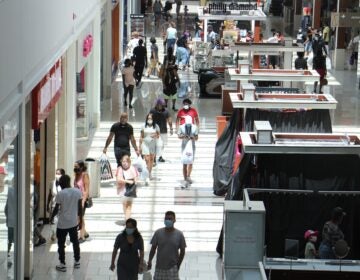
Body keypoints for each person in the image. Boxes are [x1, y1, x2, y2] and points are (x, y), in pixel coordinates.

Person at [50, 174, 82, 272]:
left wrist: (51, 217)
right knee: (75, 242)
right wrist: (80, 220)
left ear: (61, 183)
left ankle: (62, 264)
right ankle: (77, 261)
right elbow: (80, 208)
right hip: (73, 222)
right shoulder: (77, 191)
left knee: (61, 243)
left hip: (62, 224)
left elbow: (56, 208)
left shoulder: (61, 194)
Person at [147, 211, 186, 279]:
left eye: (170, 219)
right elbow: (153, 248)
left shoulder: (179, 234)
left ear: (174, 220)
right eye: (166, 219)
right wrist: (150, 260)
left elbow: (182, 251)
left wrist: (178, 265)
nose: (168, 220)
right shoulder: (158, 233)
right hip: (159, 267)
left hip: (172, 267)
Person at [176, 99, 200, 188]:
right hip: (184, 144)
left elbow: (196, 137)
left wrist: (194, 136)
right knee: (184, 160)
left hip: (192, 144)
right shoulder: (182, 126)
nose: (185, 105)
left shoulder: (194, 127)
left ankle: (189, 176)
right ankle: (185, 177)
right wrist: (183, 135)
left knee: (191, 160)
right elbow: (179, 135)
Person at [116, 155, 139, 221]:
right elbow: (118, 179)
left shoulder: (133, 168)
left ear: (129, 162)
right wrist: (127, 181)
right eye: (123, 161)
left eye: (126, 161)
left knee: (129, 206)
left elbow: (136, 179)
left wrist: (135, 185)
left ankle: (127, 221)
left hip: (130, 190)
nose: (124, 163)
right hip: (122, 190)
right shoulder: (119, 169)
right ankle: (126, 217)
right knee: (124, 205)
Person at [150, 98, 174, 162]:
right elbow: (148, 119)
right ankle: (154, 157)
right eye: (158, 104)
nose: (159, 106)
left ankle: (160, 156)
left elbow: (169, 119)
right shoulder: (152, 111)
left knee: (162, 144)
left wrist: (171, 128)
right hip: (154, 130)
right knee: (155, 144)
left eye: (161, 104)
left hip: (163, 131)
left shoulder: (166, 111)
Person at [139, 113, 160, 184]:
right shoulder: (143, 126)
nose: (149, 120)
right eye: (148, 118)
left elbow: (158, 135)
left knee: (151, 159)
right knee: (147, 159)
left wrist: (154, 135)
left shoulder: (156, 126)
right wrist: (139, 146)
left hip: (152, 144)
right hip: (145, 144)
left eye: (151, 118)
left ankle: (149, 173)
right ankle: (147, 173)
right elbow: (141, 136)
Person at [47, 168, 65, 242]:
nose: (57, 175)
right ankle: (54, 233)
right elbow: (50, 194)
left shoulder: (64, 184)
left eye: (59, 173)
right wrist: (47, 204)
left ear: (63, 175)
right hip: (54, 205)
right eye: (56, 173)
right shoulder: (52, 183)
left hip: (62, 206)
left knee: (61, 221)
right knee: (52, 221)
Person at [73, 160, 90, 243]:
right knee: (79, 217)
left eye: (76, 166)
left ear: (81, 166)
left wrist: (83, 201)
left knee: (80, 218)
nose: (75, 168)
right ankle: (85, 233)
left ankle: (82, 236)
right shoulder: (76, 175)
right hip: (76, 199)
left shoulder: (84, 175)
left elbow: (87, 190)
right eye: (74, 166)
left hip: (83, 199)